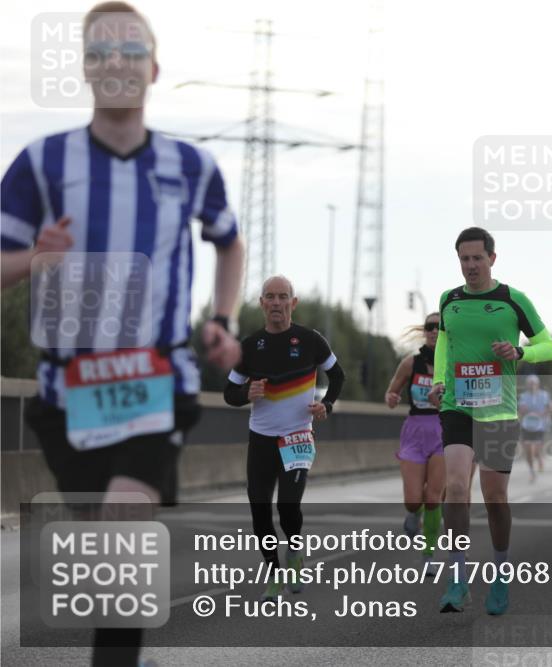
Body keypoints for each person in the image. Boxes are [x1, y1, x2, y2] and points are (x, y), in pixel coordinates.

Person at [1, 4, 243, 664]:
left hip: (157, 381)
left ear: (153, 68)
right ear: (85, 68)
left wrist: (222, 321)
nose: (117, 62)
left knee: (121, 526)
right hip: (69, 393)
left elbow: (229, 241)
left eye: (131, 50)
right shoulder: (42, 161)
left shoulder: (190, 164)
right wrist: (35, 257)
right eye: (101, 52)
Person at [427, 227, 552, 615]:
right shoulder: (448, 300)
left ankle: (501, 574)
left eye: (477, 258)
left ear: (492, 259)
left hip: (498, 410)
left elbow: (548, 345)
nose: (470, 266)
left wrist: (519, 351)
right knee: (454, 486)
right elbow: (444, 345)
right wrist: (437, 381)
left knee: (495, 498)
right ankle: (459, 578)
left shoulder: (513, 300)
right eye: (464, 259)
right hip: (457, 406)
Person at [223, 276, 345, 601]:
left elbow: (338, 375)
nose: (276, 303)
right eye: (270, 297)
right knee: (259, 512)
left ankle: (294, 550)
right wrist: (246, 392)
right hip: (261, 439)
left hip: (297, 438)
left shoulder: (311, 340)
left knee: (288, 506)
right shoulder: (248, 347)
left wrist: (327, 404)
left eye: (283, 297)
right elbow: (228, 393)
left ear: (294, 302)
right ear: (262, 303)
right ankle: (274, 575)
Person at [384, 312, 445, 571]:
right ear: (424, 332)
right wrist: (391, 398)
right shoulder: (411, 363)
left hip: (444, 432)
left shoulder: (456, 364)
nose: (433, 331)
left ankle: (428, 553)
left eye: (439, 327)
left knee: (433, 498)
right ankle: (412, 514)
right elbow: (392, 390)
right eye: (429, 327)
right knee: (413, 499)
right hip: (415, 431)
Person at [518, 374, 551, 481]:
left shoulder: (544, 395)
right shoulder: (523, 396)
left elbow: (547, 409)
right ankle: (532, 471)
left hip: (540, 426)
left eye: (534, 383)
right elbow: (521, 410)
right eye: (530, 383)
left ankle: (540, 457)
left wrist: (538, 414)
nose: (532, 385)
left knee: (535, 449)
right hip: (526, 426)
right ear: (527, 385)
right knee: (528, 450)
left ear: (538, 384)